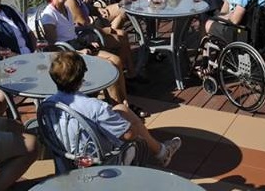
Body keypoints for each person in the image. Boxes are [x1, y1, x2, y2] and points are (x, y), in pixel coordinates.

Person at [44, 51, 182, 166]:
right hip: (100, 161)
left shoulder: (47, 104)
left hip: (66, 156)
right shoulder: (95, 107)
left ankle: (162, 151)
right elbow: (129, 135)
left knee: (121, 109)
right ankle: (162, 152)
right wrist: (134, 123)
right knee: (131, 127)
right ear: (81, 79)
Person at [39, 0, 146, 117]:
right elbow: (54, 47)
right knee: (110, 66)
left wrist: (86, 43)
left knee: (118, 61)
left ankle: (124, 103)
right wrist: (78, 51)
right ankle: (119, 109)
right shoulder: (49, 15)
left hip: (77, 45)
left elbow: (72, 31)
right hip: (67, 54)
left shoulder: (65, 8)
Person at [61, 0, 137, 78]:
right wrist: (105, 29)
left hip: (90, 29)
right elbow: (84, 24)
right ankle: (121, 73)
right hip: (86, 36)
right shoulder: (70, 0)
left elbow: (86, 7)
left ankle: (125, 72)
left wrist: (97, 10)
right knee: (122, 36)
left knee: (122, 29)